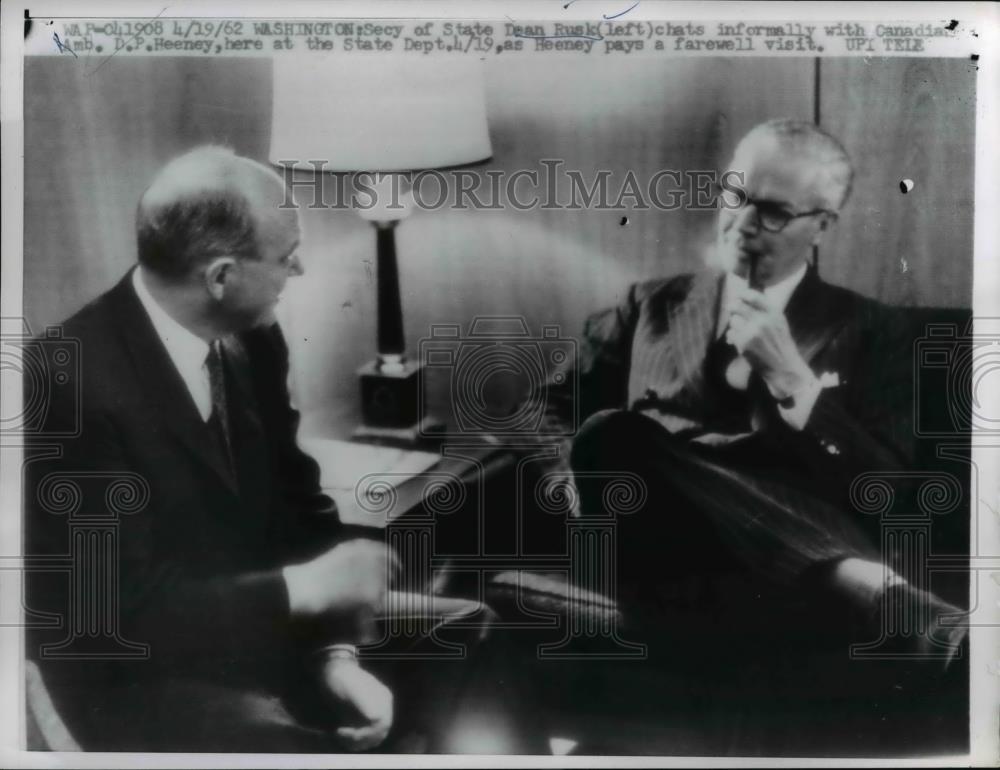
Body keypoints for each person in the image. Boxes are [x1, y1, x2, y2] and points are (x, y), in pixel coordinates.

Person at [24, 146, 433, 752]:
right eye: (287, 257)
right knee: (302, 748)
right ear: (220, 277)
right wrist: (310, 588)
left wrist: (335, 653)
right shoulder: (66, 379)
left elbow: (297, 501)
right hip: (139, 676)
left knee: (472, 632)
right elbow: (123, 615)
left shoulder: (254, 340)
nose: (298, 272)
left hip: (261, 632)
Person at [533, 119, 966, 667]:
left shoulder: (874, 330)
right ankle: (867, 587)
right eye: (735, 196)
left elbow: (886, 490)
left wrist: (793, 380)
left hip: (777, 563)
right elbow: (545, 406)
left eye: (774, 212)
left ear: (823, 225)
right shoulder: (648, 305)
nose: (742, 223)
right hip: (647, 539)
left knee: (617, 438)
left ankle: (838, 575)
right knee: (613, 439)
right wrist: (571, 482)